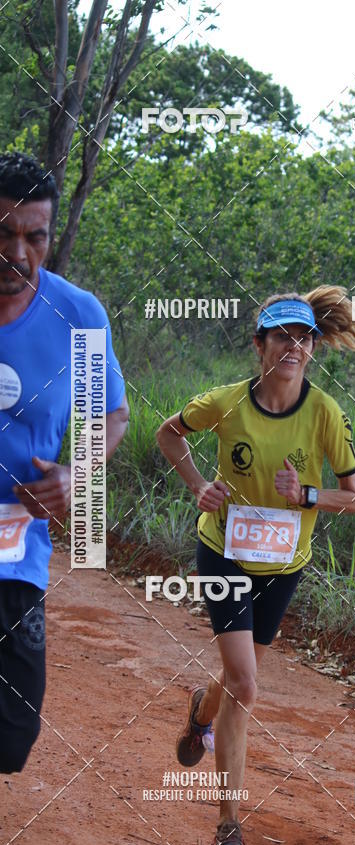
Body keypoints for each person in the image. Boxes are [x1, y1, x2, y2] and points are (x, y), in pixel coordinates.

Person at [156, 286, 355, 845]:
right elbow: (168, 433)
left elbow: (354, 498)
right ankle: (228, 826)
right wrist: (199, 485)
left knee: (235, 679)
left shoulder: (325, 413)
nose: (292, 347)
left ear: (313, 348)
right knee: (246, 686)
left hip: (283, 567)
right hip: (223, 554)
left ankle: (201, 713)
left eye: (303, 338)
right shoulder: (226, 403)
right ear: (259, 344)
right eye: (281, 337)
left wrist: (307, 496)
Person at [0, 152, 129, 773]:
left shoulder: (76, 316)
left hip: (16, 546)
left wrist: (78, 471)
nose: (18, 254)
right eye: (3, 234)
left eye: (35, 237)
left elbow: (111, 415)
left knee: (12, 734)